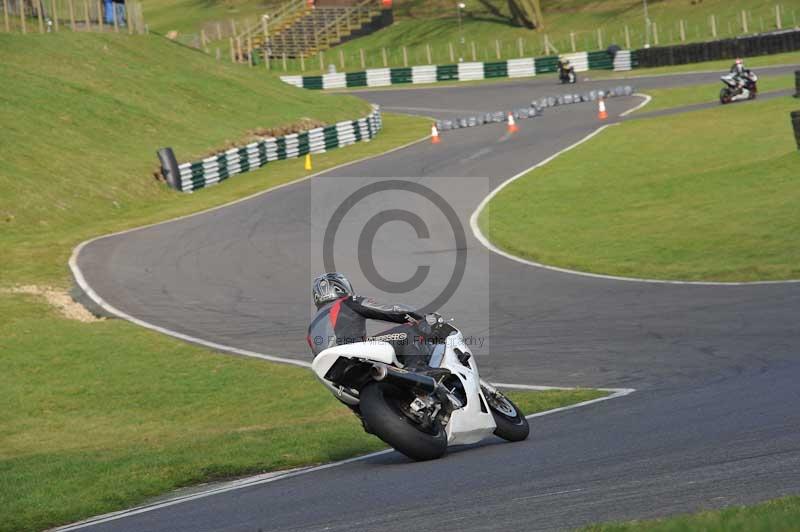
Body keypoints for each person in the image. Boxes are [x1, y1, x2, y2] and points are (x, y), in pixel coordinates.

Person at [307, 272, 445, 370]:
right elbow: (391, 310)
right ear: (342, 287)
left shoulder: (311, 326)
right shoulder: (347, 302)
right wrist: (423, 318)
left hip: (331, 371)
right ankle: (419, 370)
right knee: (409, 331)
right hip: (354, 356)